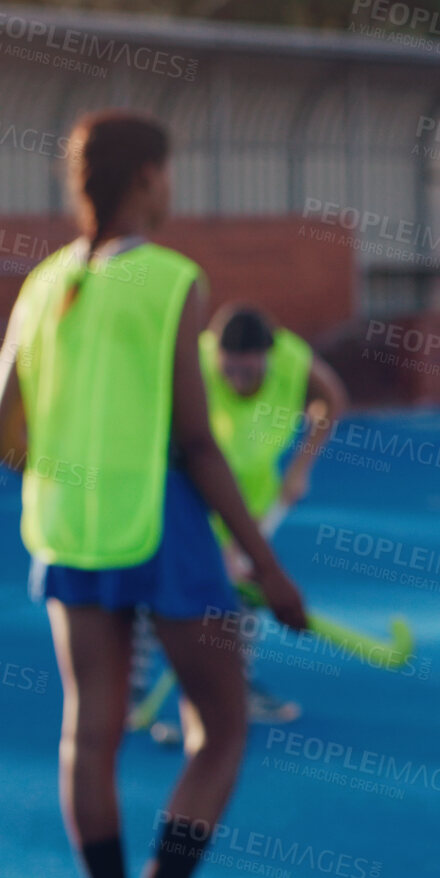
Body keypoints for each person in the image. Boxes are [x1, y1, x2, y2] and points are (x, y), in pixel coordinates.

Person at [0, 110, 308, 878]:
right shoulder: (170, 279)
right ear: (147, 177)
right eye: (168, 172)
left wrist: (65, 473)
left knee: (88, 733)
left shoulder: (43, 282)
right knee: (223, 729)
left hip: (73, 530)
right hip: (163, 527)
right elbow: (198, 444)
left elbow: (6, 427)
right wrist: (267, 568)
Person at [200, 304, 348, 722]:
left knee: (245, 591)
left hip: (257, 499)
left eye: (246, 370)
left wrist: (301, 469)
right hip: (199, 492)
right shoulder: (194, 364)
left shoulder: (291, 360)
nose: (235, 379)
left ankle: (238, 688)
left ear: (266, 357)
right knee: (157, 588)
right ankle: (132, 693)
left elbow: (332, 401)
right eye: (228, 369)